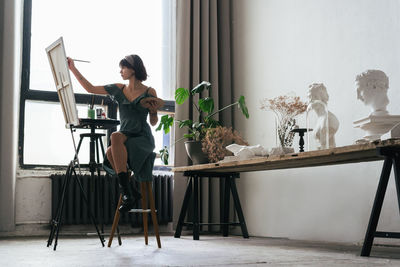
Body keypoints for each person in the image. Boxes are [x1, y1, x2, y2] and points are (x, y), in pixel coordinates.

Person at [67, 54, 159, 212]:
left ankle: (128, 193)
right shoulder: (119, 88)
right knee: (112, 147)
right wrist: (72, 68)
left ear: (133, 69)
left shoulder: (150, 91)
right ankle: (129, 192)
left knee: (113, 143)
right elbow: (90, 88)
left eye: (123, 67)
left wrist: (153, 111)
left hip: (141, 137)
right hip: (125, 135)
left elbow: (153, 122)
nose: (121, 71)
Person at [307, 83, 339, 149]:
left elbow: (323, 140)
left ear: (322, 98)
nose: (311, 100)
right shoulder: (319, 119)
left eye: (315, 96)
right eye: (309, 97)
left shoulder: (330, 119)